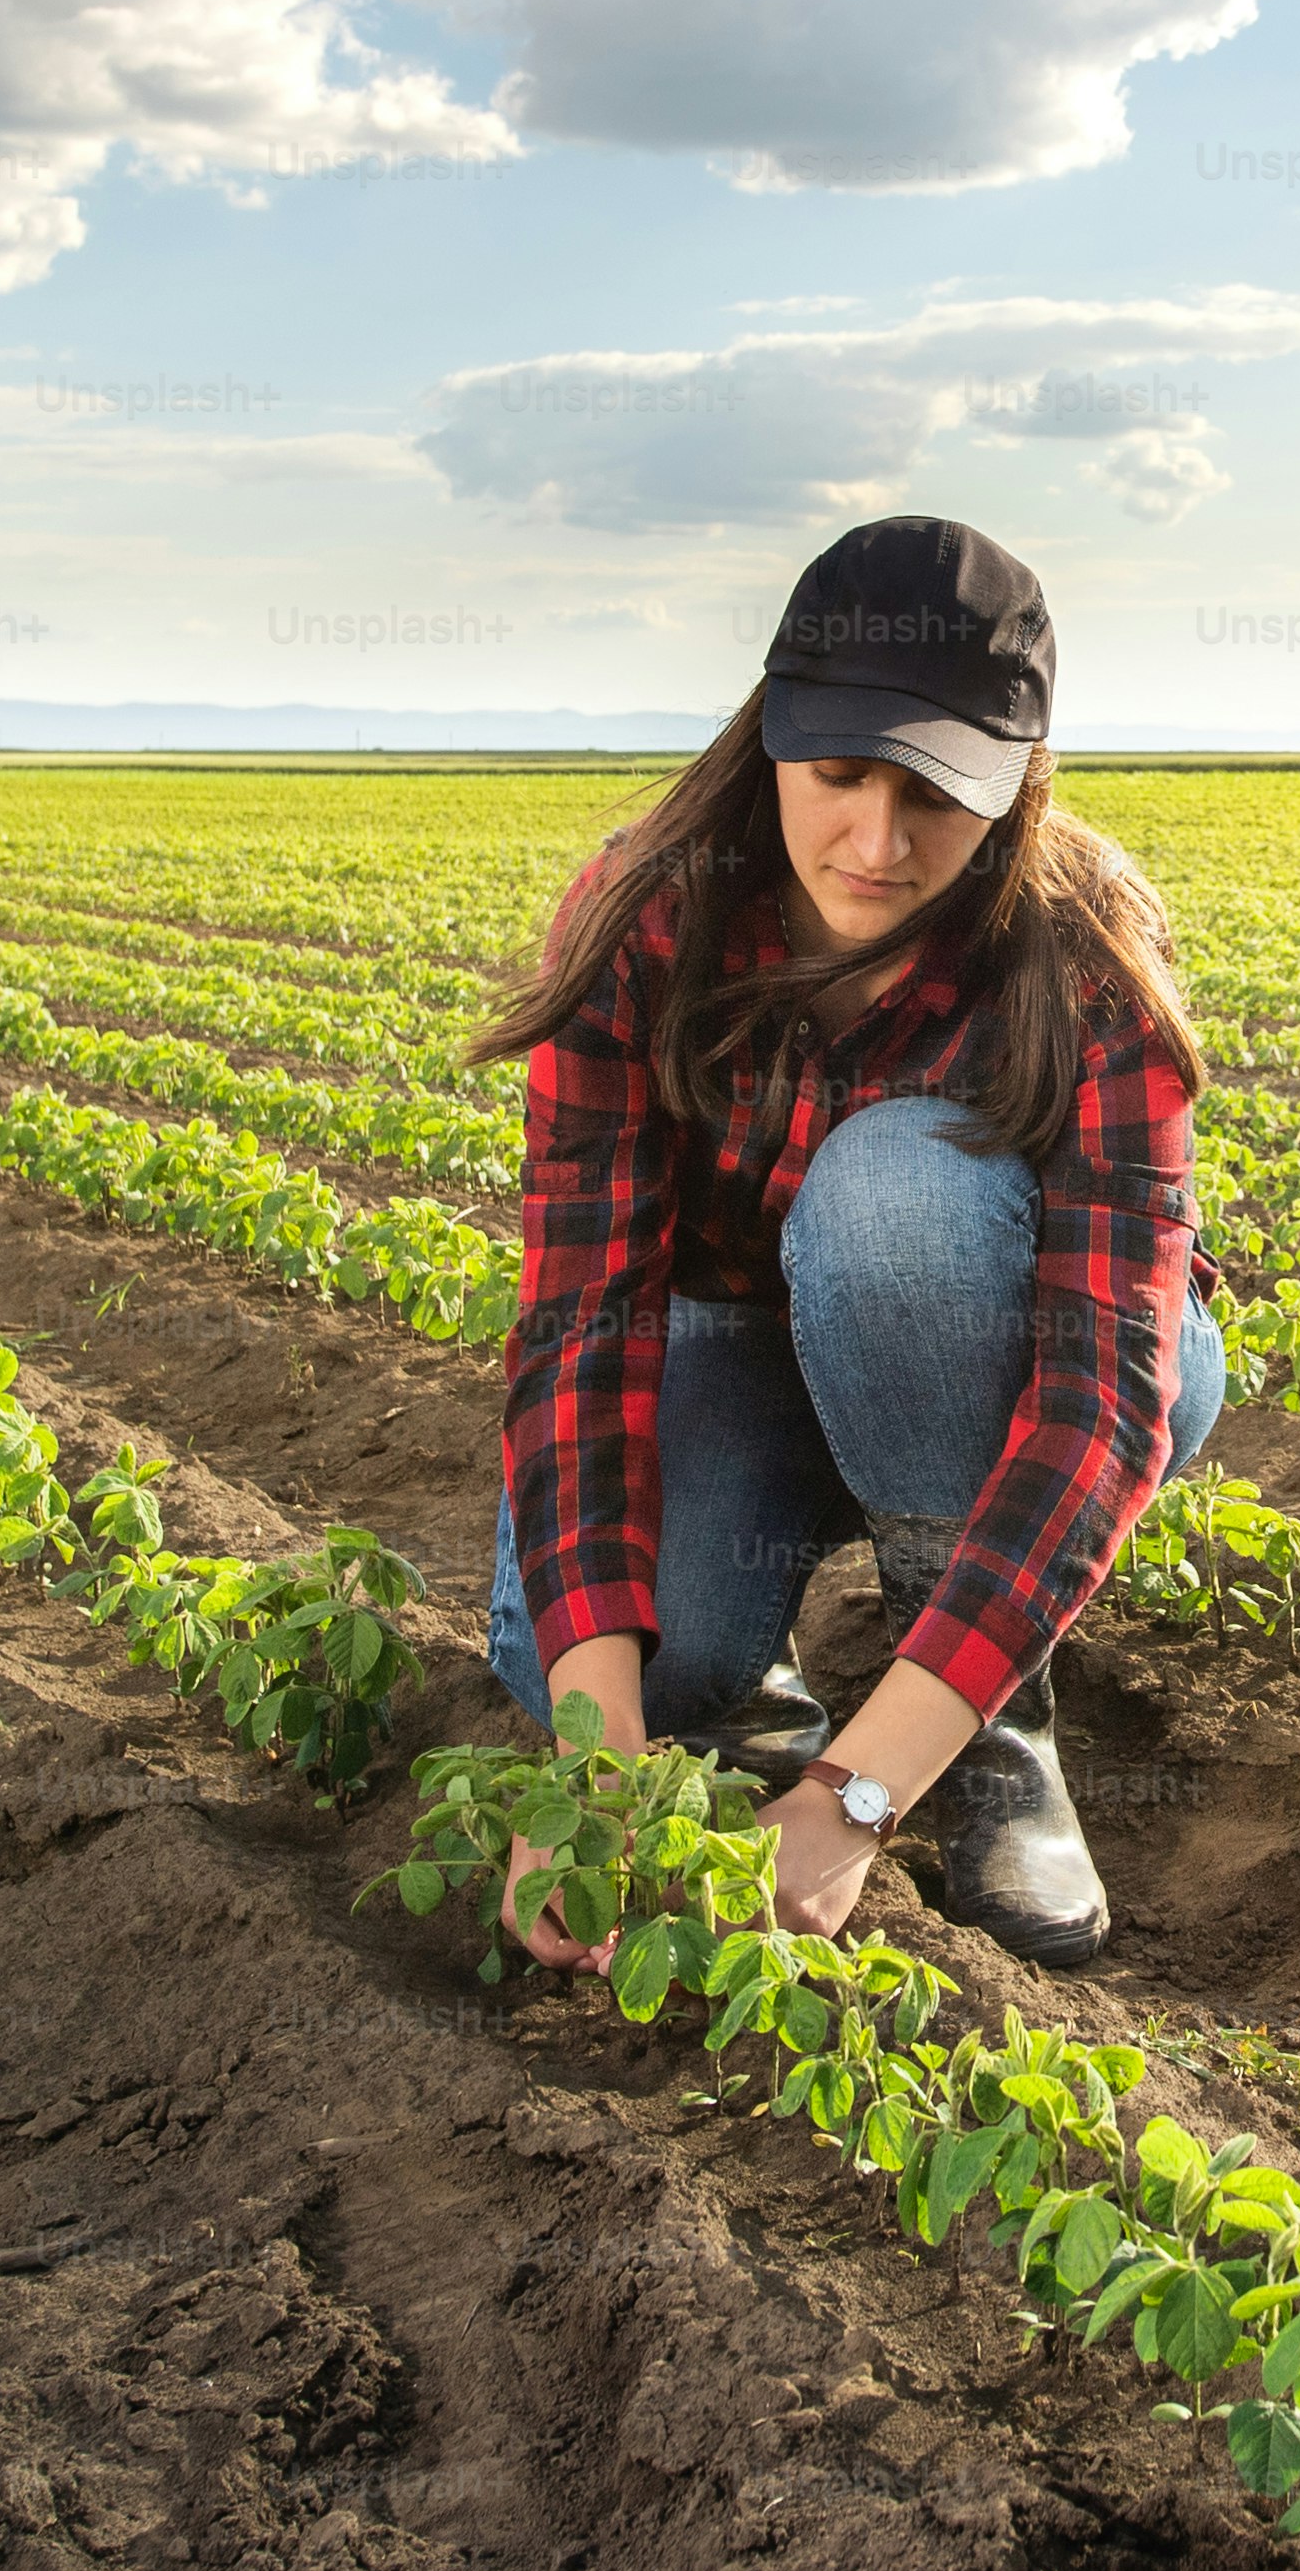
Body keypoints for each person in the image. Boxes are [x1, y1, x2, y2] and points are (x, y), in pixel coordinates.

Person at [463, 514, 1222, 1971]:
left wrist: (859, 1800)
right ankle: (761, 1695)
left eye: (939, 793)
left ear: (1017, 786)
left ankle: (990, 1727)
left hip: (1012, 1343)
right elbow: (582, 1331)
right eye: (838, 776)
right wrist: (595, 1768)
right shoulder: (647, 914)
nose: (879, 844)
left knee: (890, 1201)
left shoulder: (1082, 945)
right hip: (754, 1353)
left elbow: (1103, 1395)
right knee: (626, 1654)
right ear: (771, 740)